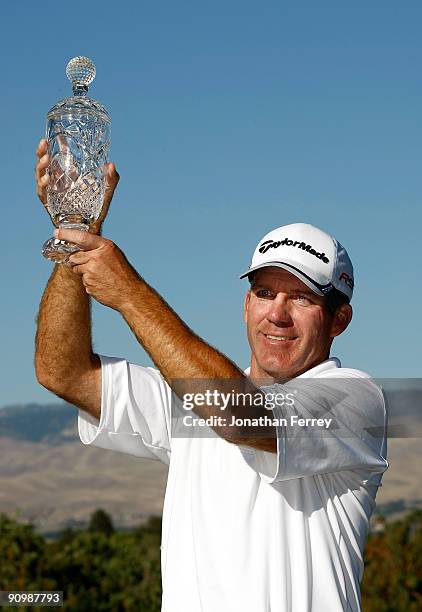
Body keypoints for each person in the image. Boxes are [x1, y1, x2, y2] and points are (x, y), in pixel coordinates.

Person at [34, 139, 388, 612]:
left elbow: (242, 417)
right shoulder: (192, 397)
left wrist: (130, 294)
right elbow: (64, 372)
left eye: (301, 298)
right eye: (264, 292)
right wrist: (74, 235)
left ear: (339, 320)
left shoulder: (355, 402)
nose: (276, 314)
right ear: (246, 305)